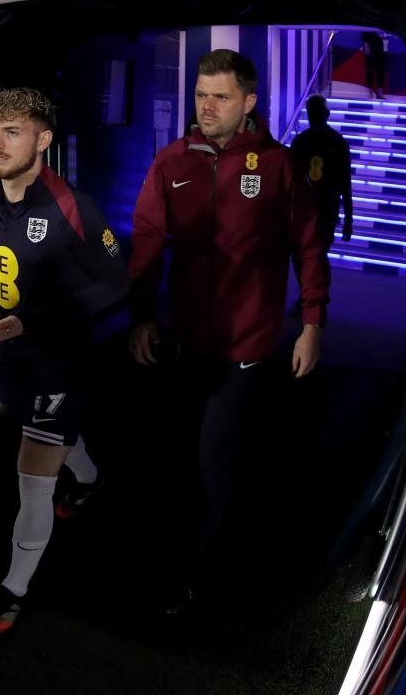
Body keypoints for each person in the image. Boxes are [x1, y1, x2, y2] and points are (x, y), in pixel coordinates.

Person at [128, 48, 329, 612]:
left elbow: (308, 248)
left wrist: (311, 322)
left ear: (249, 103)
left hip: (246, 349)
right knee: (180, 458)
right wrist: (141, 315)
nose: (207, 106)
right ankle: (187, 550)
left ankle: (195, 574)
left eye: (220, 96)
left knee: (214, 458)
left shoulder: (279, 166)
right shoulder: (172, 162)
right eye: (200, 95)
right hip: (185, 344)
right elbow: (146, 242)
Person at [0, 88, 129, 635]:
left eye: (12, 131)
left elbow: (115, 282)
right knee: (51, 434)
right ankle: (91, 479)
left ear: (43, 139)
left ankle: (13, 589)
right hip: (11, 359)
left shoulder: (72, 206)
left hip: (61, 357)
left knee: (31, 472)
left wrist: (37, 321)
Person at [288, 95, 354, 278]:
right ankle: (312, 298)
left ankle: (308, 296)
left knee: (301, 256)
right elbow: (345, 184)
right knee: (318, 254)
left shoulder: (300, 141)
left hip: (304, 210)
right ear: (328, 114)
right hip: (326, 209)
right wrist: (348, 219)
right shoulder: (338, 142)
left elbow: (288, 180)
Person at [360, 30, 387, 99]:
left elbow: (382, 33)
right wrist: (366, 47)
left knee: (380, 70)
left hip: (379, 47)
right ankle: (370, 93)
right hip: (369, 46)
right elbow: (364, 32)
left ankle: (379, 93)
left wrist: (382, 34)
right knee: (369, 70)